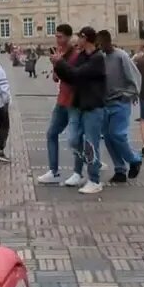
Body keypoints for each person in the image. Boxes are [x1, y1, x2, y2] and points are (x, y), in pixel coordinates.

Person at [53, 26, 108, 195]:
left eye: (80, 38)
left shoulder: (97, 58)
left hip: (93, 105)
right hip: (79, 103)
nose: (77, 41)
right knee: (73, 139)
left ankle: (94, 179)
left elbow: (78, 74)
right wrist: (59, 65)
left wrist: (60, 63)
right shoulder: (83, 56)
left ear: (86, 39)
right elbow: (70, 75)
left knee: (91, 143)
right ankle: (90, 166)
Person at [99, 29, 144, 182]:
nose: (100, 46)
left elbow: (135, 75)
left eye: (101, 43)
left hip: (120, 101)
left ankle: (134, 159)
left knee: (118, 134)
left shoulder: (121, 56)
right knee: (108, 137)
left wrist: (132, 93)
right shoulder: (101, 57)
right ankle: (119, 169)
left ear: (108, 41)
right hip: (105, 102)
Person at [36, 24, 78, 185]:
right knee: (51, 134)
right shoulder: (58, 53)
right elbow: (56, 78)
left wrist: (60, 63)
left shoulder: (75, 54)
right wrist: (55, 64)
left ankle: (79, 171)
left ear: (69, 37)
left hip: (74, 101)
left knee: (75, 139)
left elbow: (74, 76)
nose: (57, 39)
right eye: (56, 36)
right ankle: (53, 171)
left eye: (60, 36)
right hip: (62, 100)